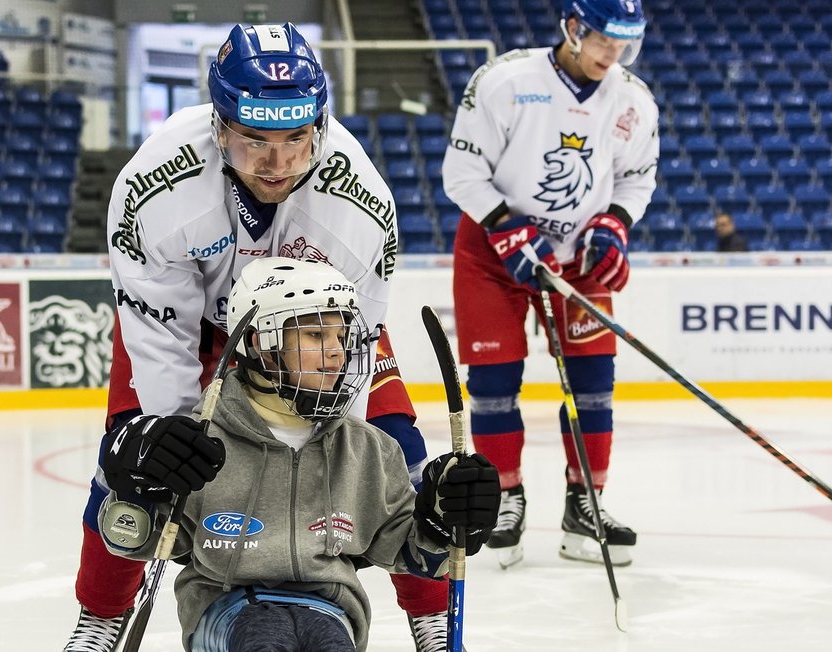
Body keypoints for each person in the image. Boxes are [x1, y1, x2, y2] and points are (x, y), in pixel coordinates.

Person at [64, 23, 454, 652]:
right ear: (219, 126)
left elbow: (354, 347)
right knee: (136, 456)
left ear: (319, 127)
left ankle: (431, 619)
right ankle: (102, 616)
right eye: (254, 140)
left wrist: (339, 448)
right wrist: (169, 436)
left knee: (399, 451)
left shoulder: (362, 207)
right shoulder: (153, 187)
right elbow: (161, 339)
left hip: (313, 327)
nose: (276, 164)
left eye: (296, 139)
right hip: (193, 328)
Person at [97, 257, 499, 651]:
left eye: (341, 337)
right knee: (264, 635)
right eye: (316, 336)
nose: (337, 353)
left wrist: (444, 522)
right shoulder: (200, 440)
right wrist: (135, 490)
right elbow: (133, 541)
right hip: (223, 608)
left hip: (329, 608)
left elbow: (409, 552)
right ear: (261, 343)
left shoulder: (366, 447)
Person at [441, 0, 658, 569]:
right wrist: (506, 229)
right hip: (493, 250)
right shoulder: (505, 81)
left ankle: (585, 503)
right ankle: (504, 498)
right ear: (573, 27)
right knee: (492, 385)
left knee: (593, 384)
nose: (611, 57)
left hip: (579, 255)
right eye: (602, 42)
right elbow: (461, 173)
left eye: (623, 46)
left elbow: (637, 178)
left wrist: (614, 224)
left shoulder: (633, 100)